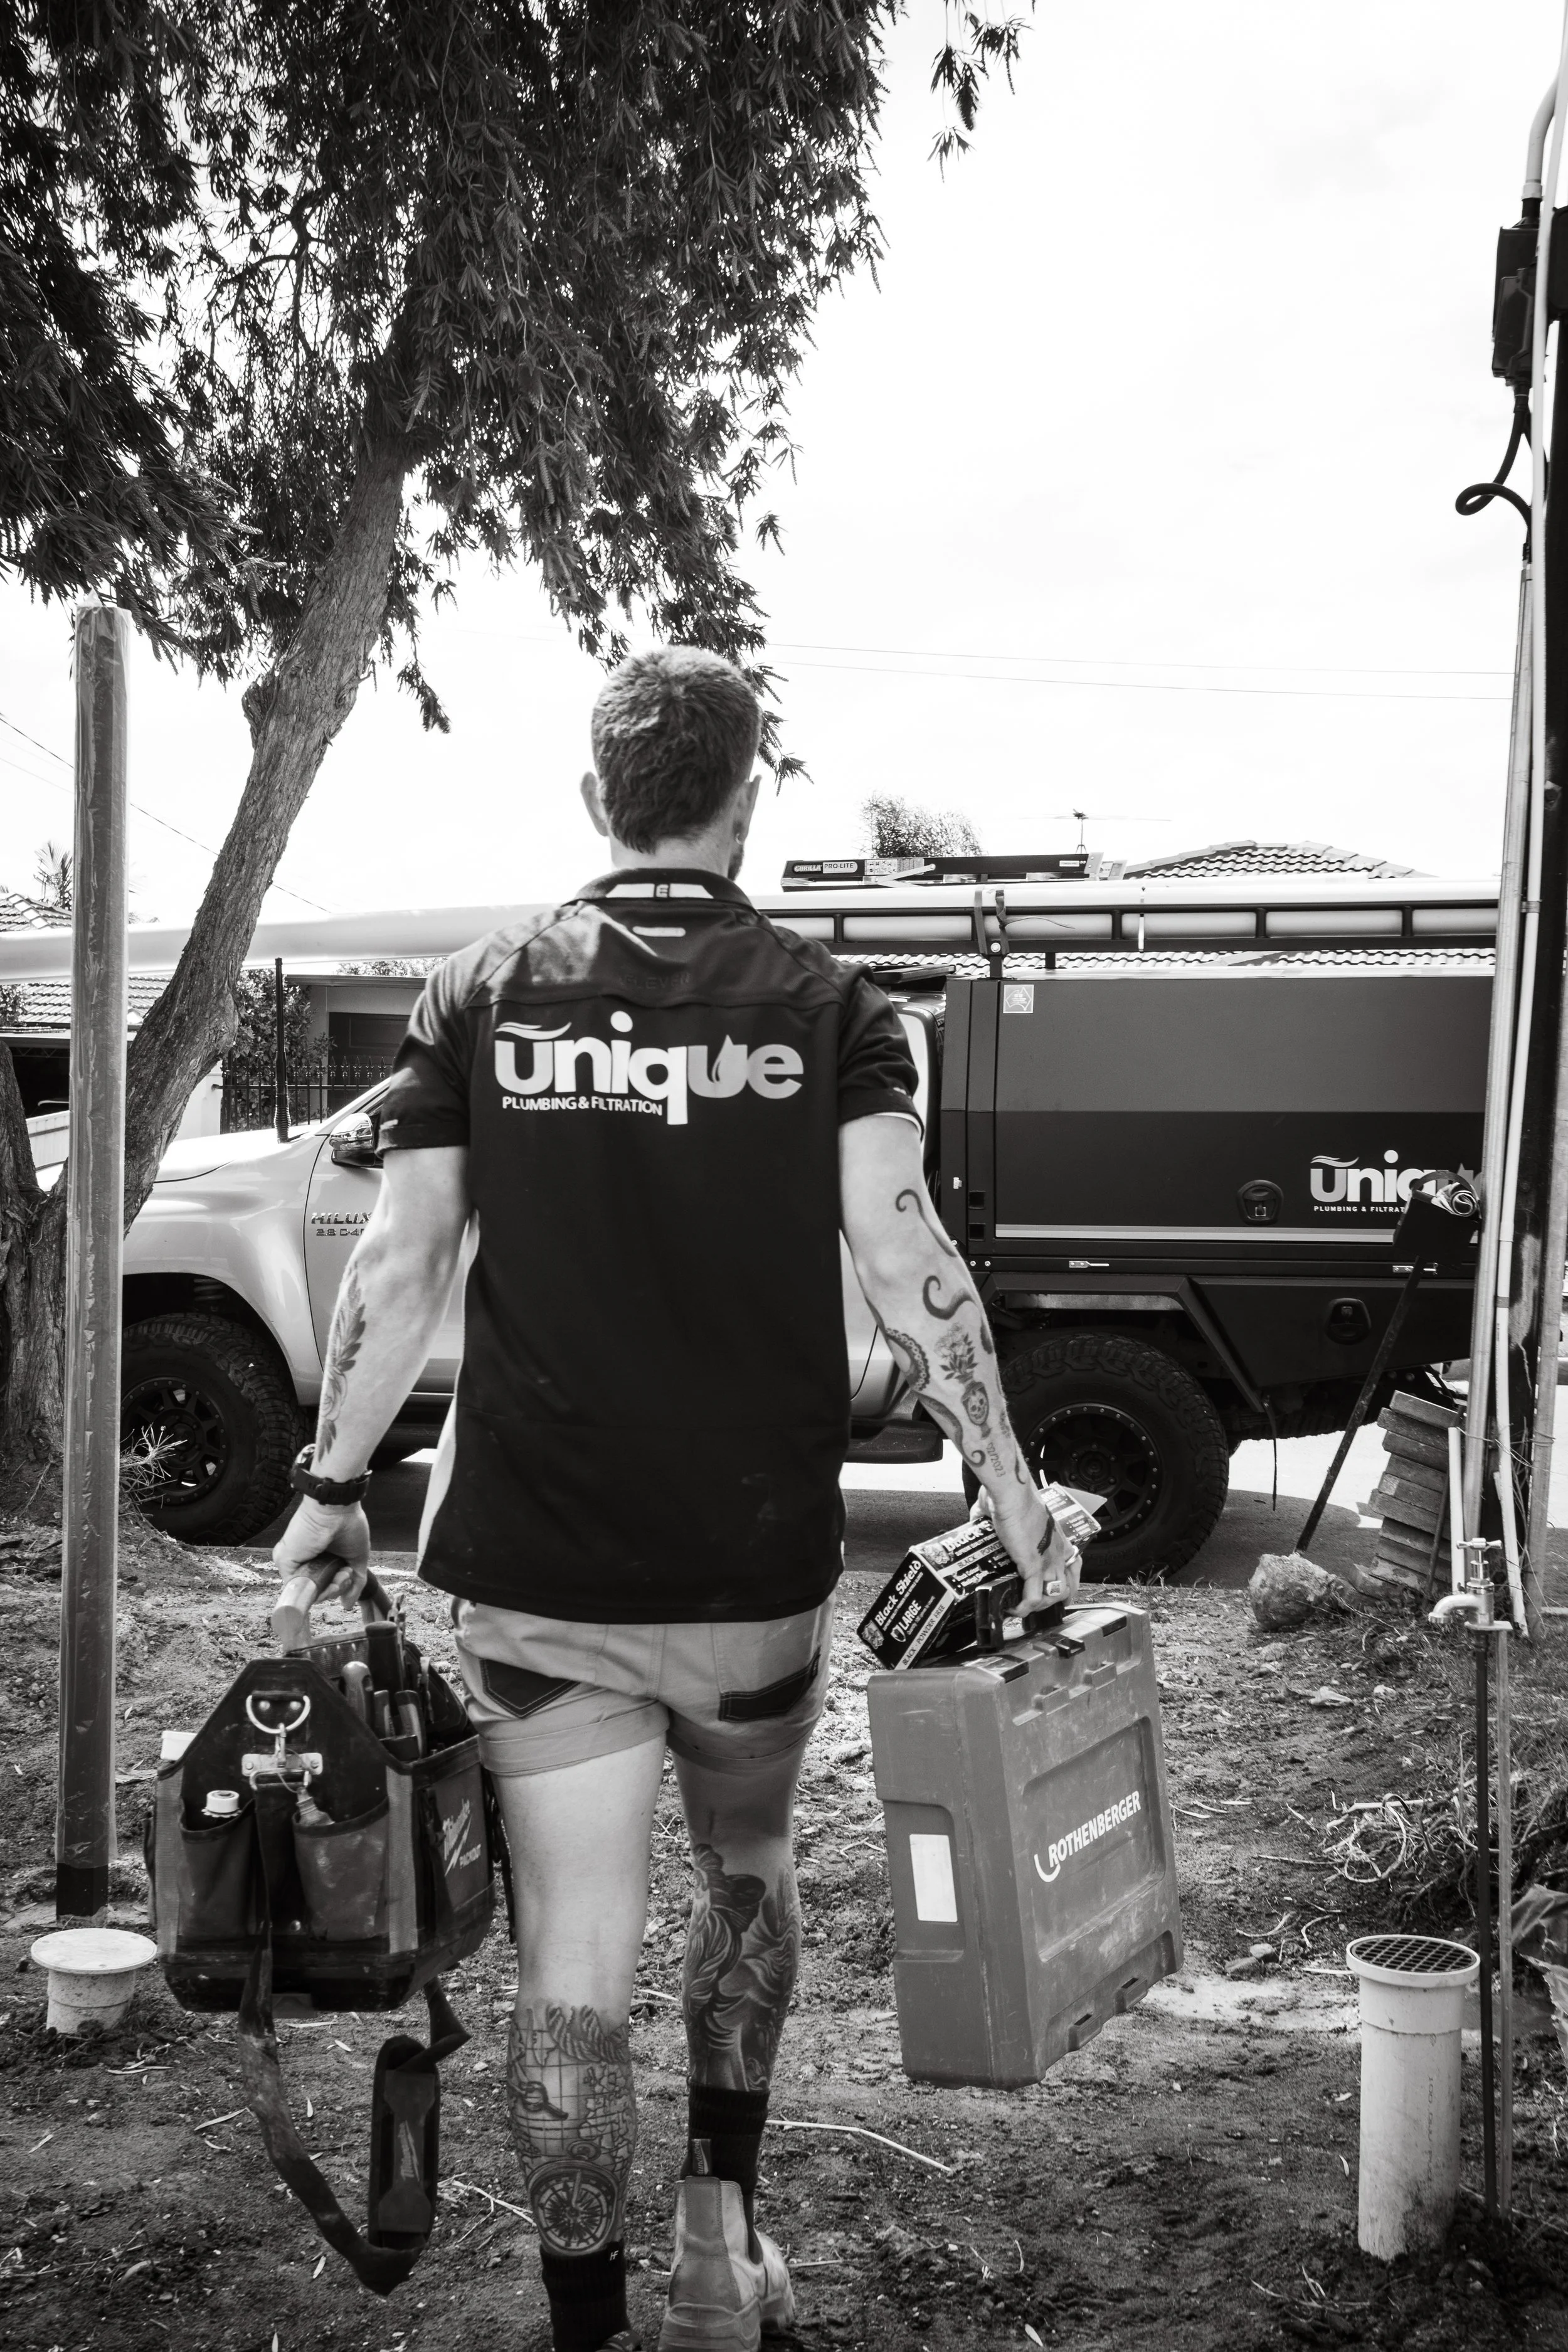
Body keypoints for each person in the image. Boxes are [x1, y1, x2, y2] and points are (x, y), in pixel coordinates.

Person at [271, 647, 1080, 2352]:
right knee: (749, 1867)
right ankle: (721, 2237)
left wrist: (329, 1482)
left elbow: (403, 1260)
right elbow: (907, 1256)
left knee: (572, 1956)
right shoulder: (831, 1007)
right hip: (745, 1568)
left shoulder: (487, 991)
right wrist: (1010, 1496)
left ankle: (587, 2324)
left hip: (534, 1560)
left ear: (595, 802)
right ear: (745, 801)